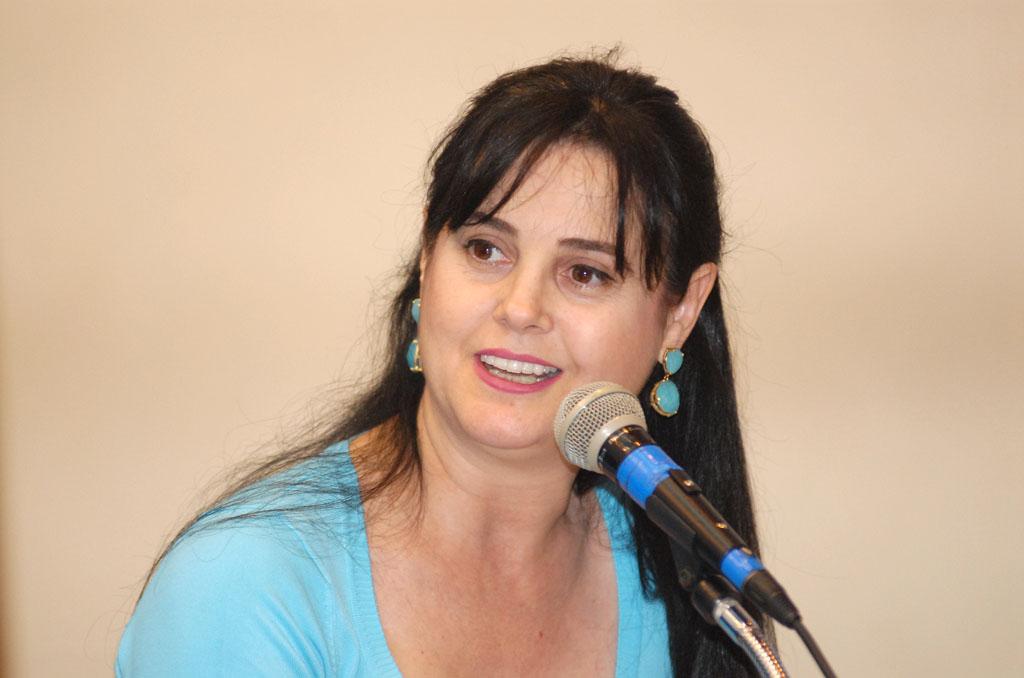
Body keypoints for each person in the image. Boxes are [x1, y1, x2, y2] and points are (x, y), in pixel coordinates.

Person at [117, 53, 764, 677]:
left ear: (681, 312)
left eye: (585, 273)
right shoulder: (244, 586)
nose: (520, 308)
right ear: (427, 258)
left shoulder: (683, 579)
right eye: (485, 250)